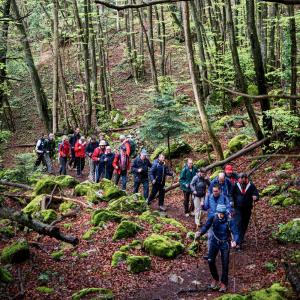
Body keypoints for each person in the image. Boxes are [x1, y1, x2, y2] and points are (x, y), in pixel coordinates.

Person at [195, 204, 239, 293]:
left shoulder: (229, 219)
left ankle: (224, 283)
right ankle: (215, 278)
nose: (221, 215)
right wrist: (200, 233)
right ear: (217, 212)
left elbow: (235, 232)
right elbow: (206, 226)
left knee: (225, 264)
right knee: (210, 260)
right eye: (220, 213)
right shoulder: (213, 217)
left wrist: (235, 241)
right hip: (214, 242)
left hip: (225, 243)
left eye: (223, 213)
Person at [203, 184, 233, 252]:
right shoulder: (209, 197)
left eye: (216, 191)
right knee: (210, 236)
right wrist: (202, 205)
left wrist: (227, 213)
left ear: (220, 190)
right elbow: (206, 207)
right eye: (213, 191)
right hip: (211, 219)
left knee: (221, 236)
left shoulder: (224, 198)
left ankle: (221, 251)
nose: (215, 192)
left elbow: (228, 208)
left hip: (221, 220)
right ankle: (209, 253)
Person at [232, 173, 259, 249]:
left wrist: (255, 197)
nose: (241, 181)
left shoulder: (251, 186)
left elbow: (256, 194)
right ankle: (238, 243)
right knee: (238, 223)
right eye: (240, 179)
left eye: (243, 179)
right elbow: (231, 194)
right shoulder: (236, 185)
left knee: (244, 224)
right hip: (238, 208)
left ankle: (240, 238)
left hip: (247, 209)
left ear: (246, 179)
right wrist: (231, 201)